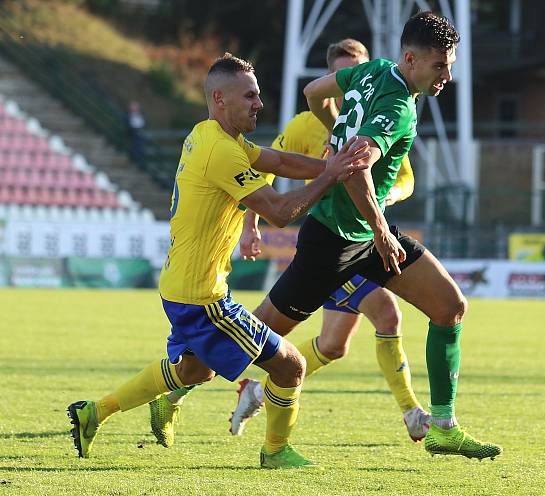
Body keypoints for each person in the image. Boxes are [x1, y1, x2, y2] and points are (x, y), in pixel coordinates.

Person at [66, 53, 369, 469]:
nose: (259, 104)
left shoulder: (208, 135)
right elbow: (279, 211)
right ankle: (276, 452)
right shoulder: (221, 154)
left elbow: (278, 161)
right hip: (204, 296)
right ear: (220, 99)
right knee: (290, 367)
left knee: (195, 372)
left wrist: (333, 165)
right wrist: (332, 175)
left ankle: (93, 413)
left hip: (180, 286)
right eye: (250, 96)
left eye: (259, 95)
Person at [150, 39, 430, 446]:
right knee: (380, 316)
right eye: (345, 75)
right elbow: (265, 169)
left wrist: (384, 194)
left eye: (361, 71)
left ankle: (228, 388)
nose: (356, 85)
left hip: (362, 236)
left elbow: (404, 177)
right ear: (336, 80)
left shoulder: (383, 118)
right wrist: (253, 225)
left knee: (333, 345)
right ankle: (413, 412)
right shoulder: (304, 126)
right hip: (332, 240)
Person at [262, 11, 500, 460]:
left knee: (450, 307)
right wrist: (380, 230)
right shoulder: (396, 107)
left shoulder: (375, 71)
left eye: (450, 65)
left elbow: (314, 92)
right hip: (333, 240)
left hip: (366, 235)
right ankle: (168, 389)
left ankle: (444, 427)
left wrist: (336, 131)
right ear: (410, 58)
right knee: (250, 336)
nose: (447, 76)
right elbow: (356, 166)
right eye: (439, 66)